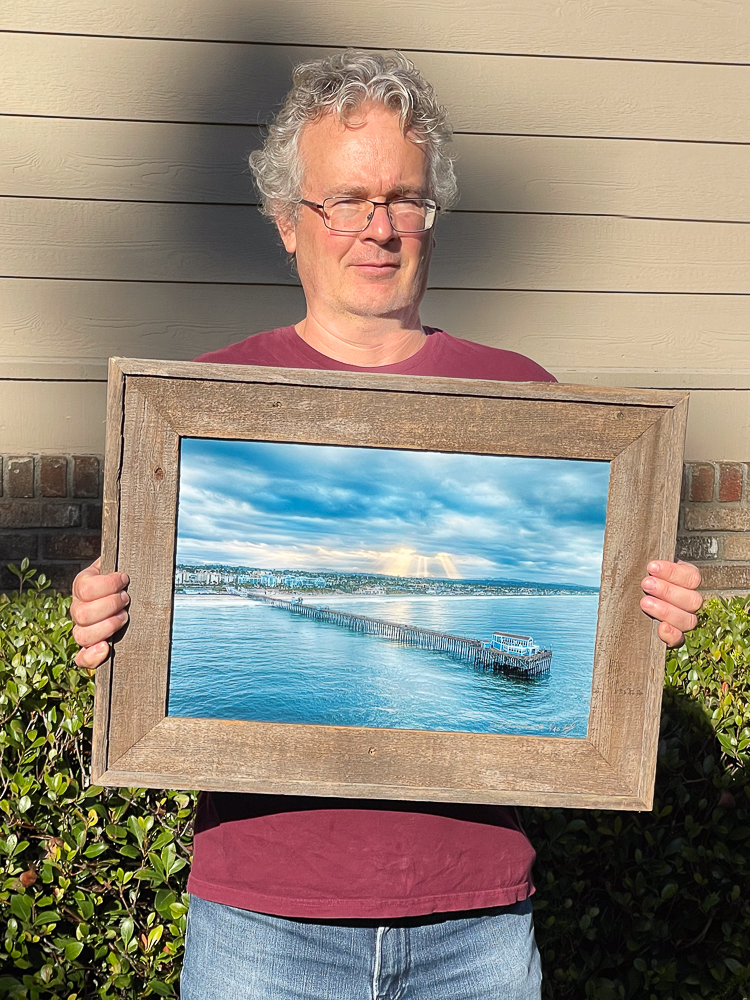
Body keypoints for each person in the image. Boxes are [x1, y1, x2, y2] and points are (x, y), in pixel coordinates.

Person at [70, 51, 703, 999]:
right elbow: (147, 622)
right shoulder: (201, 405)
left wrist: (643, 616)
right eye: (346, 200)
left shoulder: (524, 400)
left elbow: (602, 655)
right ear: (289, 222)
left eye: (404, 198)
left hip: (474, 918)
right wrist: (110, 619)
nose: (378, 228)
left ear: (433, 219)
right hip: (261, 918)